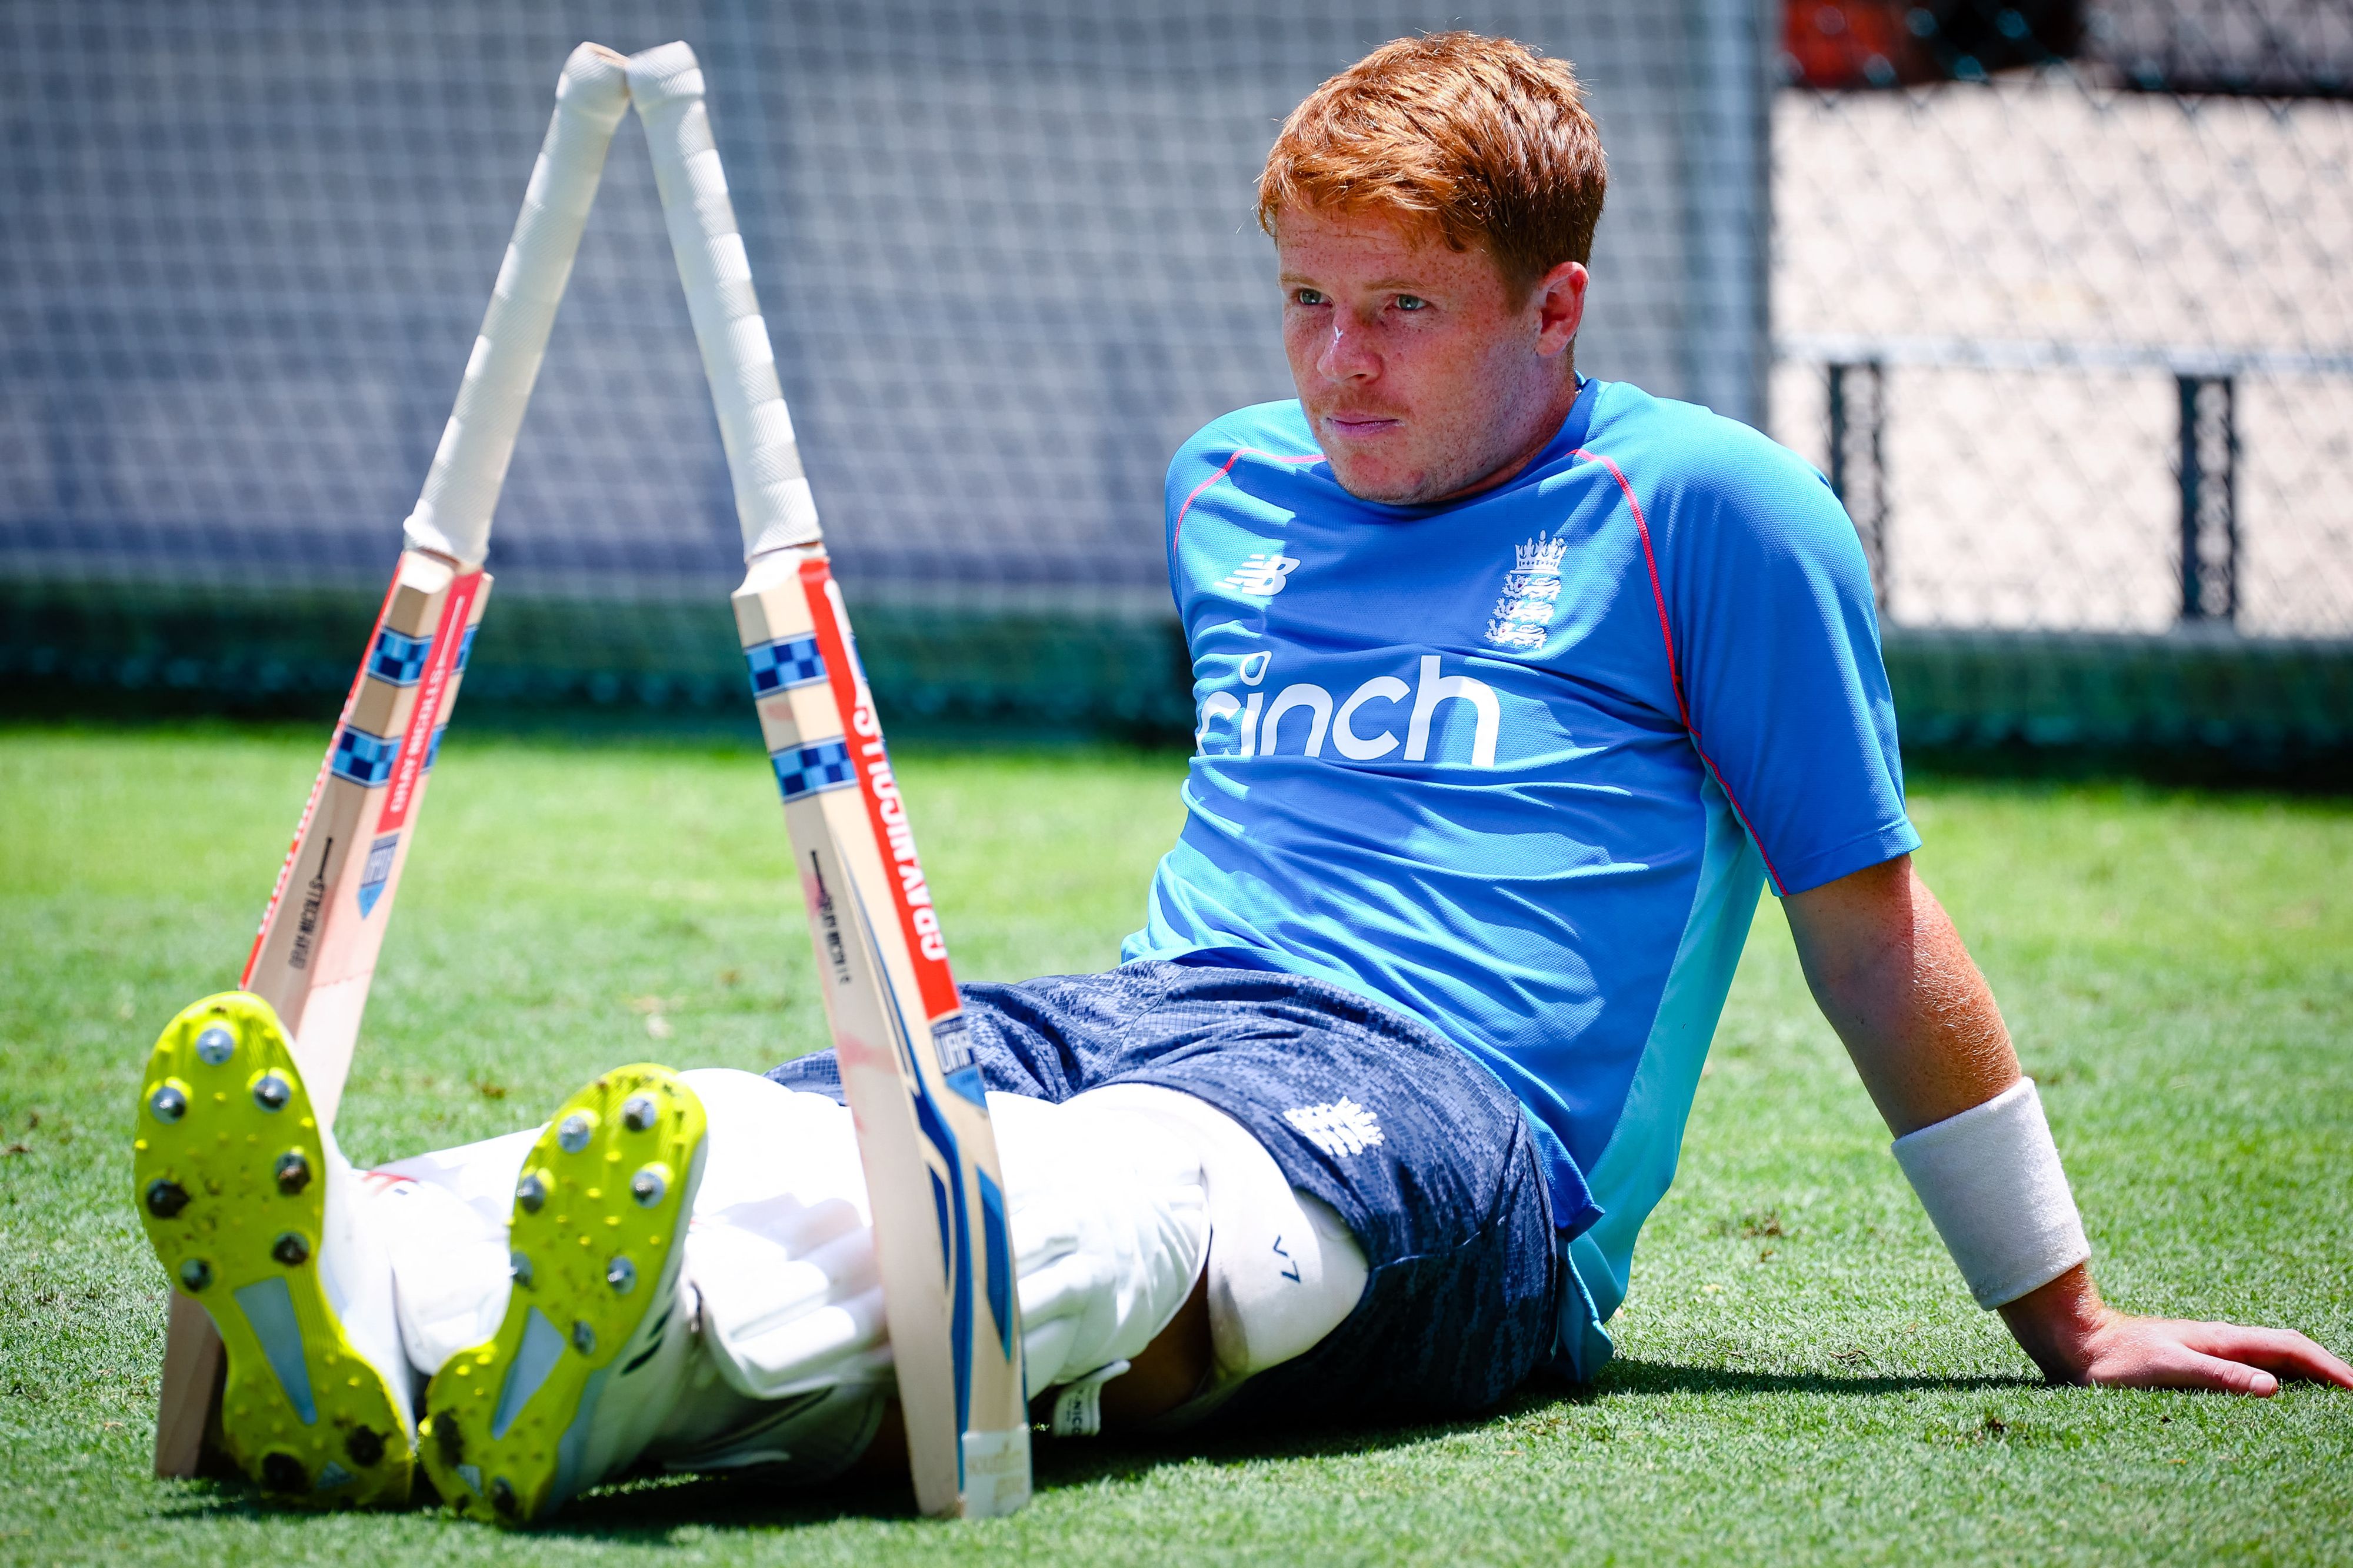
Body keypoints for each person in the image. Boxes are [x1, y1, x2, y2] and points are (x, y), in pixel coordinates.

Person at [132, 31, 2350, 1525]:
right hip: (1139, 1005)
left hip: (1463, 1141)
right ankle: (368, 1296)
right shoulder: (1231, 485)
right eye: (1302, 300)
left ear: (1556, 307)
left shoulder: (1715, 516)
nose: (1331, 367)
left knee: (1133, 1194)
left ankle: (599, 1377)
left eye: (1399, 309)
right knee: (868, 1110)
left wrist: (2066, 1314)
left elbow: (1872, 926)